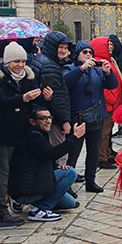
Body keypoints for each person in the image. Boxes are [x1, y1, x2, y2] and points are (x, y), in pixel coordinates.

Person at [0, 42, 52, 228]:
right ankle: (0, 211)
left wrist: (45, 96)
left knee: (3, 171)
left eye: (23, 61)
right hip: (0, 131)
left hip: (19, 131)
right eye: (16, 61)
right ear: (7, 61)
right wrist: (23, 98)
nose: (20, 65)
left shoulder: (27, 77)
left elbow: (33, 101)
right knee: (0, 172)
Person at [9, 108, 85, 221]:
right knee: (70, 173)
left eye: (49, 117)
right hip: (26, 187)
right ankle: (40, 209)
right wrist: (75, 137)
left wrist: (56, 166)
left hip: (29, 183)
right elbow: (52, 153)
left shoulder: (37, 134)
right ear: (32, 121)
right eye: (43, 118)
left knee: (70, 202)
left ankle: (23, 202)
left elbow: (41, 156)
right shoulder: (34, 137)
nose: (48, 121)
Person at [64, 41, 118, 193]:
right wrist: (82, 68)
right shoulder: (70, 68)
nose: (88, 55)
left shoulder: (97, 71)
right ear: (77, 55)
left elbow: (112, 85)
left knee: (93, 151)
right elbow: (66, 82)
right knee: (73, 152)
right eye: (85, 52)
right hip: (78, 117)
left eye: (90, 53)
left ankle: (91, 181)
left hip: (96, 117)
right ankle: (67, 182)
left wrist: (108, 72)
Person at [28, 31, 74, 164]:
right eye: (61, 47)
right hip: (52, 119)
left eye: (66, 48)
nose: (63, 51)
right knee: (59, 155)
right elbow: (57, 97)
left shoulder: (44, 60)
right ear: (52, 46)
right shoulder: (49, 65)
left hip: (43, 115)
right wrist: (64, 120)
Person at [91, 36, 122, 170]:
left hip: (113, 103)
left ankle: (107, 154)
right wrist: (112, 98)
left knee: (108, 131)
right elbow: (102, 87)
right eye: (108, 45)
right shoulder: (99, 64)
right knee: (103, 134)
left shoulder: (109, 61)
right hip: (108, 103)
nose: (111, 47)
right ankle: (101, 158)